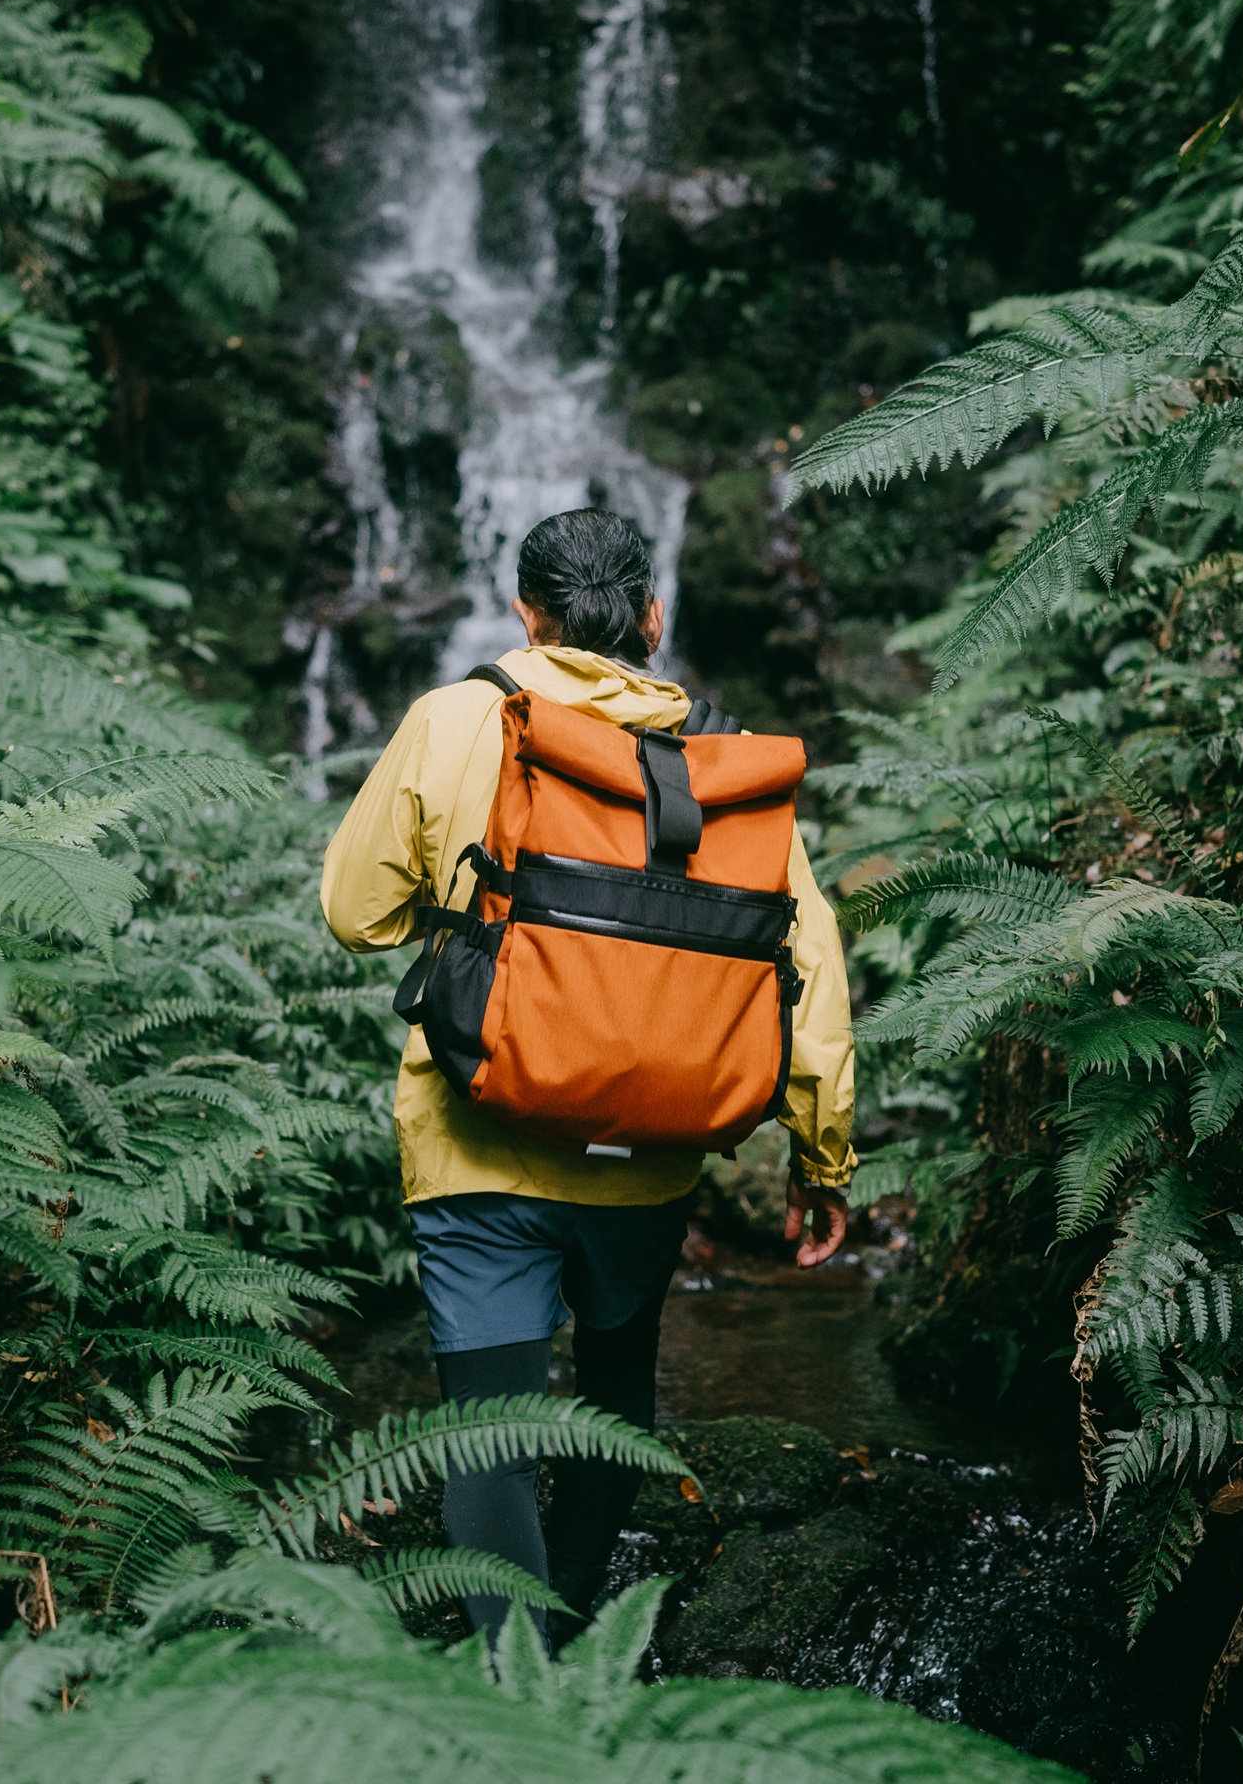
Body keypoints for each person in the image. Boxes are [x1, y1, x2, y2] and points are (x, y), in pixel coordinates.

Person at [318, 507, 857, 1647]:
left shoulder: (457, 718)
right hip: (649, 1155)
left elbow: (354, 913)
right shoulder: (722, 762)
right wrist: (821, 1158)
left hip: (479, 1144)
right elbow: (807, 964)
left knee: (487, 1438)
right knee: (618, 1412)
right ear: (651, 617)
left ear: (525, 612)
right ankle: (574, 1656)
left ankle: (521, 1694)